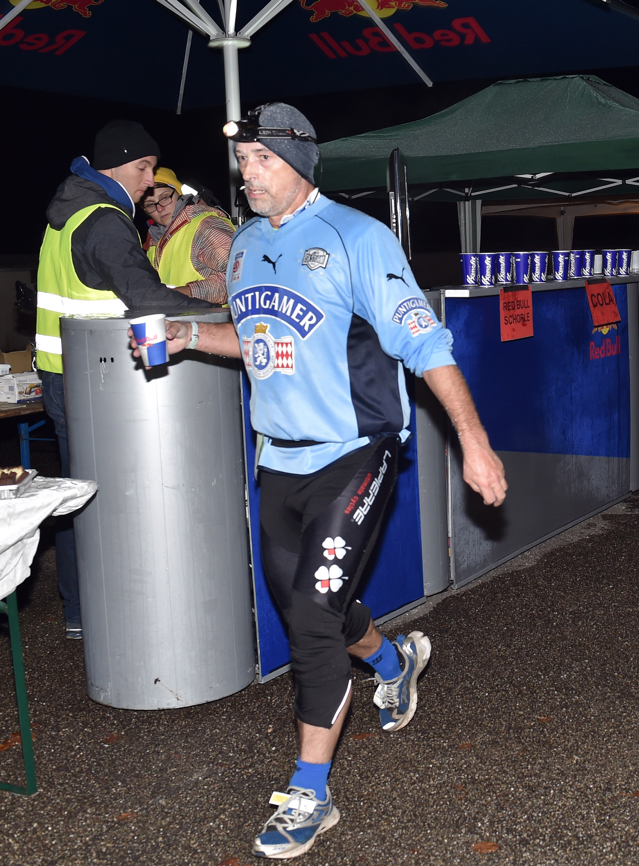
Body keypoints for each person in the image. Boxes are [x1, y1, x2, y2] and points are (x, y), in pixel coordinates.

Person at [137, 103, 507, 859]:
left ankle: (310, 791)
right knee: (315, 607)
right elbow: (255, 335)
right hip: (281, 457)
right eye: (243, 165)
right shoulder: (241, 248)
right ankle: (392, 661)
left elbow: (423, 339)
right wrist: (186, 336)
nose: (249, 177)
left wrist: (473, 440)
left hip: (354, 451)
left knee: (309, 612)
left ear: (300, 163)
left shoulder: (356, 238)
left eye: (263, 162)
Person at [36, 120, 216, 640]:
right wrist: (221, 313)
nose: (149, 181)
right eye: (142, 168)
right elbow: (149, 298)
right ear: (115, 165)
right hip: (101, 382)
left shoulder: (66, 211)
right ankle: (115, 617)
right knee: (111, 500)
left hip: (62, 374)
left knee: (78, 495)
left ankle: (81, 612)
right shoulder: (106, 218)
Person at [140, 166, 234, 303]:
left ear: (179, 193)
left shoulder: (206, 227)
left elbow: (240, 278)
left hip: (212, 321)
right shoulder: (154, 241)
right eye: (150, 204)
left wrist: (184, 293)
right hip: (175, 321)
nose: (159, 208)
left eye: (165, 197)